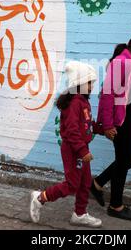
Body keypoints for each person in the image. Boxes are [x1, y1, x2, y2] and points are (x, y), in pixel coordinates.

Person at [29, 61, 102, 228]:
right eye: (89, 82)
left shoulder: (83, 101)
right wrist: (83, 151)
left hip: (82, 149)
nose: (92, 86)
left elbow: (86, 125)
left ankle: (80, 214)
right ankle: (40, 198)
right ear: (79, 82)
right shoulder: (74, 103)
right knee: (72, 184)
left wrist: (101, 129)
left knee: (85, 183)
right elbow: (72, 131)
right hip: (74, 150)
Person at [91, 34, 131, 221]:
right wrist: (108, 125)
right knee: (124, 160)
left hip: (128, 119)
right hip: (121, 121)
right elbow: (107, 94)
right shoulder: (121, 63)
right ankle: (116, 205)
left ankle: (98, 183)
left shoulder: (129, 63)